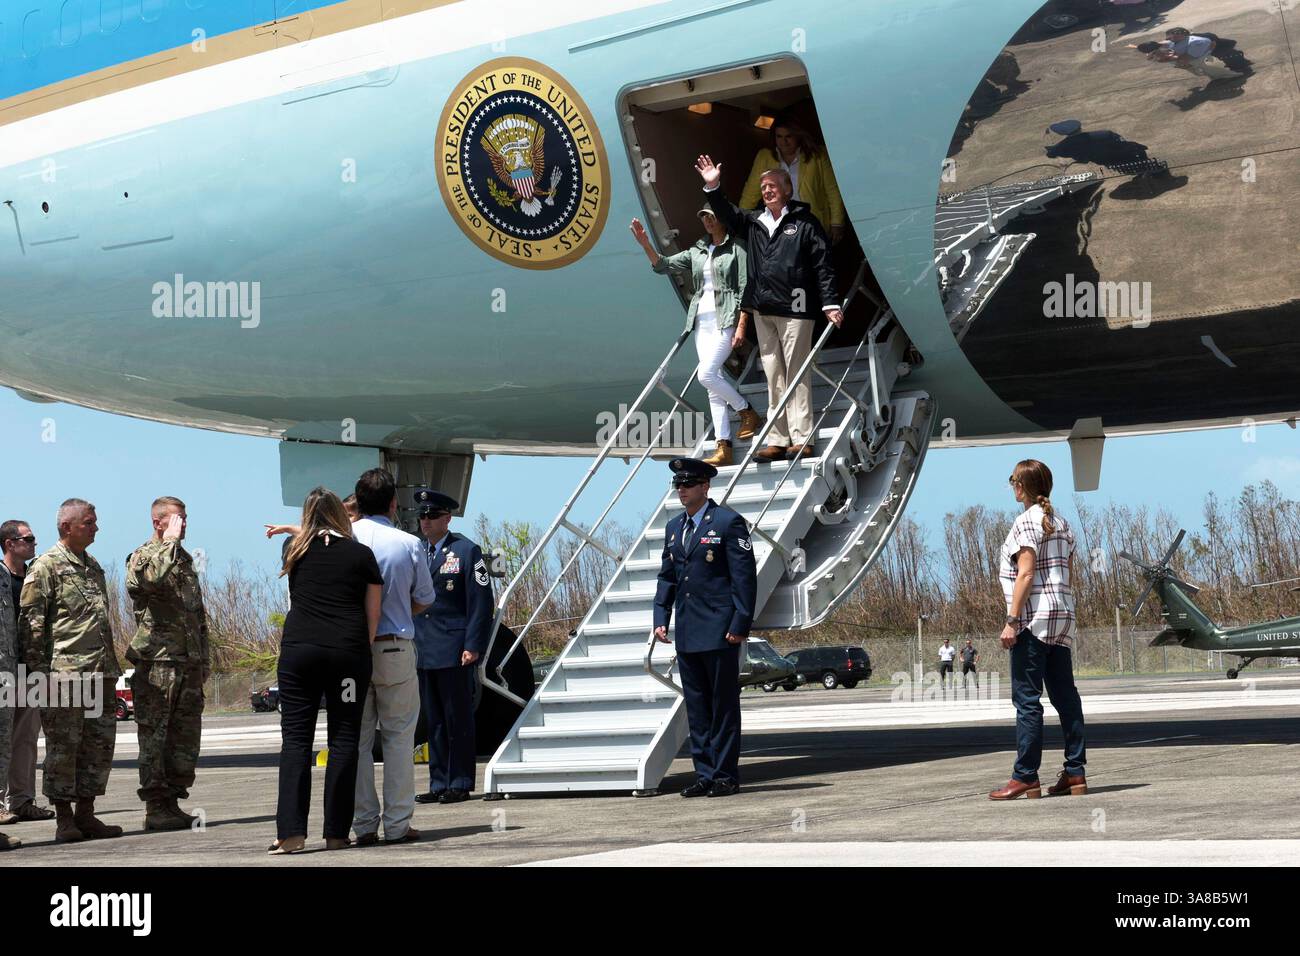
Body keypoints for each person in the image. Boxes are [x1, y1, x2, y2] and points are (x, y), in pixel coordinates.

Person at [697, 155, 843, 463]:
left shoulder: (805, 223)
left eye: (773, 185)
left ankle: (802, 438)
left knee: (796, 371)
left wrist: (830, 303)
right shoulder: (753, 222)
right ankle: (778, 438)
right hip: (764, 309)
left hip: (797, 307)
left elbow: (823, 264)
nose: (767, 191)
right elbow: (727, 212)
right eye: (763, 187)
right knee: (774, 373)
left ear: (788, 190)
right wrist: (713, 187)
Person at [269, 488, 382, 854]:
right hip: (346, 654)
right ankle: (336, 833)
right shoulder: (362, 555)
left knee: (296, 741)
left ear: (306, 518)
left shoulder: (293, 550)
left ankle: (290, 834)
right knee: (344, 739)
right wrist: (359, 650)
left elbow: (306, 538)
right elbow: (373, 613)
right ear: (343, 515)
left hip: (299, 653)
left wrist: (295, 529)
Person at [19, 499, 123, 841]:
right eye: (89, 523)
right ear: (67, 527)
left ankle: (87, 814)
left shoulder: (92, 565)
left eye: (95, 522)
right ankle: (64, 819)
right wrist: (39, 676)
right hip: (63, 675)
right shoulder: (46, 566)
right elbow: (32, 626)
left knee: (98, 746)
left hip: (100, 672)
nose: (96, 528)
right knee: (64, 748)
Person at [653, 458, 757, 797]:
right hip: (686, 631)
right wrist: (660, 618)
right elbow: (667, 577)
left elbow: (743, 579)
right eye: (678, 484)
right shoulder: (673, 528)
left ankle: (725, 774)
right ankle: (705, 773)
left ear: (705, 486)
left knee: (722, 705)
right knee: (696, 707)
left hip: (719, 629)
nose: (681, 489)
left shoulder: (728, 523)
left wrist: (740, 623)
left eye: (688, 483)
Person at [631, 210, 763, 466]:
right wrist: (646, 244)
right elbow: (663, 266)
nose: (708, 220)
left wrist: (741, 325)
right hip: (701, 322)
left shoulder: (737, 248)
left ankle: (746, 410)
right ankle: (723, 447)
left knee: (706, 375)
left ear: (723, 219)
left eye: (712, 215)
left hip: (725, 319)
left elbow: (745, 287)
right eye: (703, 216)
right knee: (712, 383)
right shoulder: (698, 250)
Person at [989, 460, 1088, 801]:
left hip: (1034, 619)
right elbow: (1067, 573)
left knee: (1027, 700)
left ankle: (1026, 776)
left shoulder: (1024, 523)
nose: (1011, 486)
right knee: (1065, 696)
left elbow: (1026, 575)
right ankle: (1075, 772)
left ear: (1021, 487)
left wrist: (1012, 621)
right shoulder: (1062, 524)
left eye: (1012, 480)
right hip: (1062, 615)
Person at [349, 469, 436, 845]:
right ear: (393, 503)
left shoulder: (342, 540)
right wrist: (398, 611)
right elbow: (425, 598)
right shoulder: (407, 543)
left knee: (356, 740)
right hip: (394, 646)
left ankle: (363, 824)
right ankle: (398, 825)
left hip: (351, 651)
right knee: (400, 738)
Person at [125, 496, 210, 831]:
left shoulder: (186, 560)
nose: (183, 525)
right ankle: (155, 807)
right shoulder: (143, 556)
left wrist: (204, 658)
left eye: (185, 519)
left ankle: (173, 801)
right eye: (177, 519)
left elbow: (197, 615)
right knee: (156, 736)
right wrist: (169, 543)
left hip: (187, 661)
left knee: (184, 738)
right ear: (158, 522)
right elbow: (146, 582)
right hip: (158, 663)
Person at [412, 489, 492, 804]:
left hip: (454, 646)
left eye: (432, 516)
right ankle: (438, 782)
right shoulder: (417, 551)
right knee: (434, 720)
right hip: (424, 647)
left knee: (456, 717)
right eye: (422, 516)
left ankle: (459, 781)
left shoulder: (466, 551)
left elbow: (481, 602)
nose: (425, 522)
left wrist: (473, 644)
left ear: (447, 518)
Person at [0, 520, 52, 829]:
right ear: (9, 543)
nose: (33, 543)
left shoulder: (36, 577)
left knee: (27, 738)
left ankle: (21, 800)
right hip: (3, 670)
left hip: (30, 669)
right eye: (28, 538)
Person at [738, 118, 847, 244]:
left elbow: (833, 191)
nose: (783, 141)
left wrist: (837, 223)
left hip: (812, 223)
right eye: (779, 136)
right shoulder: (765, 156)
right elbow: (750, 193)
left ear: (798, 136)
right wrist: (742, 222)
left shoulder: (817, 155)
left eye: (788, 136)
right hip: (777, 225)